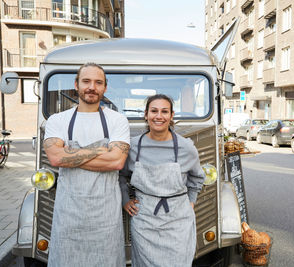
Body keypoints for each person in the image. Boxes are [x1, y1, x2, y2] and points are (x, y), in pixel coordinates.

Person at [43, 63, 130, 267]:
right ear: (76, 84)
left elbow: (117, 161)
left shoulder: (117, 120)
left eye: (98, 82)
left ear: (105, 88)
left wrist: (71, 156)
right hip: (69, 213)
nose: (92, 87)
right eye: (86, 81)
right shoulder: (58, 120)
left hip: (105, 214)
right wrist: (100, 150)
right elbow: (55, 158)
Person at [119, 94, 205, 267]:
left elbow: (197, 177)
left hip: (178, 219)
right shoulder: (133, 146)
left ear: (171, 116)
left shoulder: (186, 147)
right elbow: (120, 175)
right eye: (154, 111)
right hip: (144, 219)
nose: (159, 116)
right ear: (146, 114)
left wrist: (191, 202)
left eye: (164, 111)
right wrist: (125, 200)